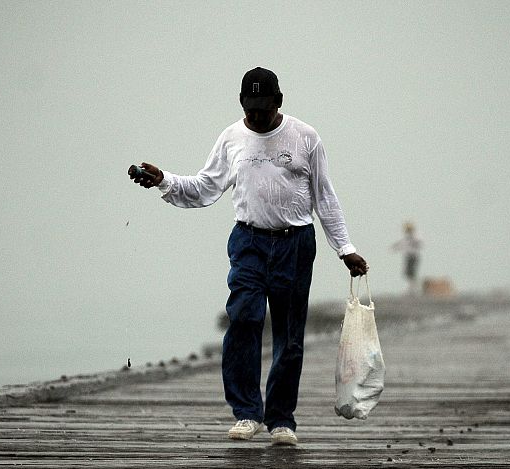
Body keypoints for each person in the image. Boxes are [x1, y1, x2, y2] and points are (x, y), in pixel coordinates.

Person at [129, 67, 368, 446]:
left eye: (263, 108)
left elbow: (324, 197)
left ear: (279, 101)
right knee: (243, 319)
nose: (256, 116)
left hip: (295, 243)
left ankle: (281, 419)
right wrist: (164, 180)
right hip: (249, 242)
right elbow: (205, 187)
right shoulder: (232, 138)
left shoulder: (305, 138)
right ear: (242, 103)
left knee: (289, 336)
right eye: (250, 108)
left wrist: (346, 248)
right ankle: (246, 412)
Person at [390, 221, 422, 294]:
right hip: (408, 256)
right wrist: (394, 247)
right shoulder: (406, 238)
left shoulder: (415, 237)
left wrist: (413, 242)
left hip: (413, 256)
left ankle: (414, 288)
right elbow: (401, 244)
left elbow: (419, 243)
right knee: (407, 273)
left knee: (412, 273)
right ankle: (412, 287)